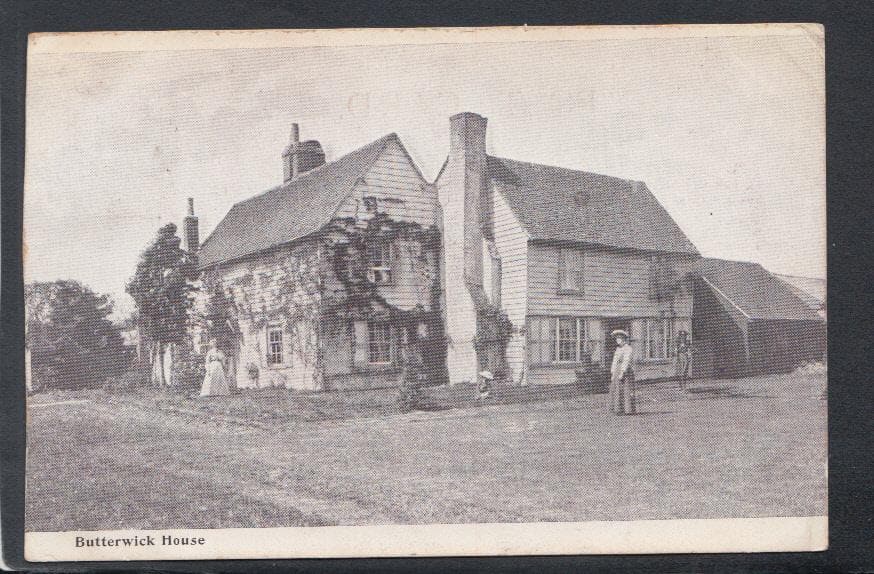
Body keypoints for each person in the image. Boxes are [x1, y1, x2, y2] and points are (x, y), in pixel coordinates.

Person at [609, 329, 635, 415]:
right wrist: (613, 372)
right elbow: (615, 361)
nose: (617, 340)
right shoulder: (618, 349)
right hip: (617, 370)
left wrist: (622, 372)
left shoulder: (628, 348)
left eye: (619, 339)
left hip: (626, 371)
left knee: (625, 389)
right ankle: (618, 409)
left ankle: (627, 409)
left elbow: (626, 361)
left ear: (623, 339)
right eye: (616, 339)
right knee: (616, 389)